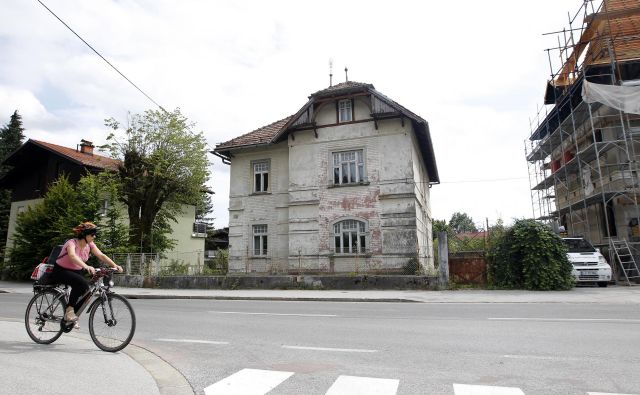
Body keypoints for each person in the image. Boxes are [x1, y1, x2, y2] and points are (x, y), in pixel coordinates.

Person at [49, 221, 123, 324]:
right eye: (92, 234)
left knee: (87, 294)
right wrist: (86, 266)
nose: (94, 236)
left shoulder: (90, 244)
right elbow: (72, 256)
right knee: (80, 283)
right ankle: (69, 312)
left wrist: (115, 265)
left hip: (76, 271)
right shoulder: (71, 243)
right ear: (84, 235)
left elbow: (101, 255)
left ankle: (73, 316)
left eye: (95, 234)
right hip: (61, 271)